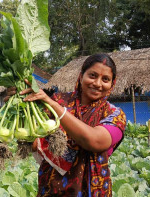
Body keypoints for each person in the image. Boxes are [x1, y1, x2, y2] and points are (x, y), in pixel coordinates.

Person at [7, 53, 126, 196]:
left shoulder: (114, 114)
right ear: (81, 76)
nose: (98, 83)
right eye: (93, 75)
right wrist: (19, 105)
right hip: (51, 187)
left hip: (93, 189)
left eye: (105, 79)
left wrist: (55, 107)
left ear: (112, 84)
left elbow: (95, 141)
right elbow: (34, 142)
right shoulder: (56, 100)